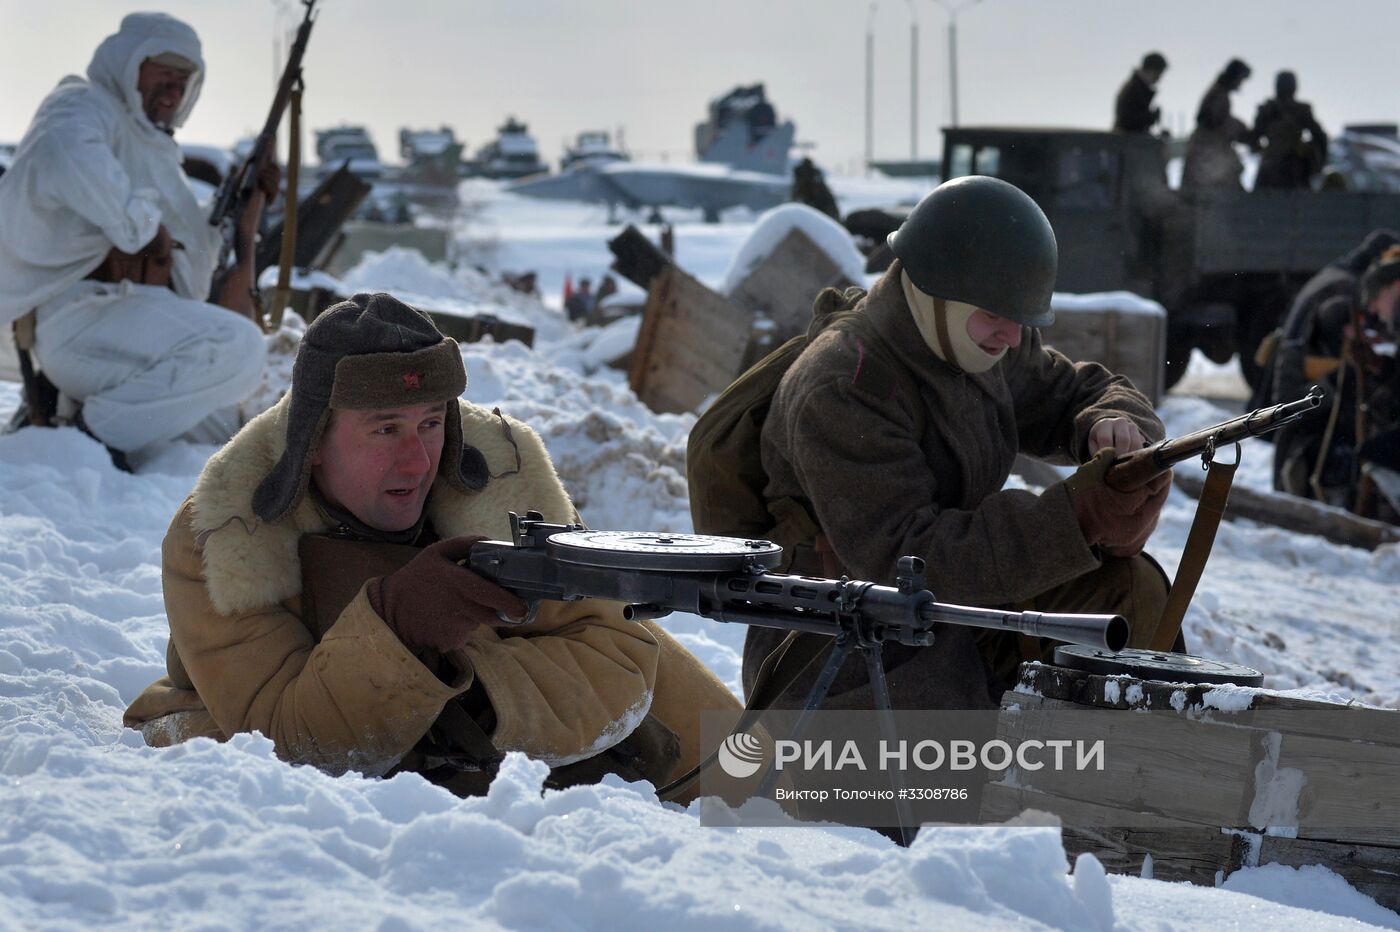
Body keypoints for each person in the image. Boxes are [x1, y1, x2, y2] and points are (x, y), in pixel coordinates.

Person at [124, 293, 741, 797]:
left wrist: (471, 688)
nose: (418, 459)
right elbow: (290, 741)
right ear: (313, 439)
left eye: (430, 423)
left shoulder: (507, 485)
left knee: (799, 783)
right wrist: (399, 629)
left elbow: (621, 652)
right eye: (385, 429)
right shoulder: (227, 537)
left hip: (704, 763)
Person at [744, 176, 1173, 712]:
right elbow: (908, 555)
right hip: (846, 642)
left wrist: (1111, 425)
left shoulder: (973, 336)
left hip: (953, 605)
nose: (1013, 336)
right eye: (997, 315)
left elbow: (1074, 391)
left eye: (1019, 319)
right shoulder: (844, 386)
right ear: (934, 291)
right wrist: (1076, 518)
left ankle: (1128, 775)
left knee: (1130, 593)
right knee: (950, 787)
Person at [0, 13, 272, 463]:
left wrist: (241, 210)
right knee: (237, 348)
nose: (174, 87)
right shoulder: (81, 104)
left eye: (184, 77)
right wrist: (143, 226)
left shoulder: (156, 150)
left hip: (123, 322)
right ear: (126, 64)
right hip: (78, 316)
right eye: (163, 70)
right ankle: (88, 439)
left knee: (219, 429)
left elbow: (192, 271)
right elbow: (67, 154)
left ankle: (73, 419)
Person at [1271, 230, 1400, 493]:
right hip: (1306, 416)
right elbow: (1287, 402)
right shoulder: (1345, 286)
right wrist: (1338, 377)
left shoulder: (1338, 276)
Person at [1182, 58, 1252, 191]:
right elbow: (1214, 121)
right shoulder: (1219, 95)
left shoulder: (1218, 93)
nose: (1240, 84)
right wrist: (1239, 129)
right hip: (1207, 159)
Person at [1251, 71, 1329, 190]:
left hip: (1289, 165)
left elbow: (1254, 138)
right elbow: (1321, 137)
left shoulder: (1297, 110)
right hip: (1285, 167)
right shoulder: (1271, 110)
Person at [1114, 52, 1168, 134]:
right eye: (1159, 74)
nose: (1159, 79)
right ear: (1151, 70)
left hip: (1129, 140)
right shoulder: (1134, 89)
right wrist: (1151, 117)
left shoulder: (1137, 87)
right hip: (1128, 141)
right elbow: (1127, 120)